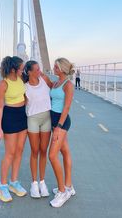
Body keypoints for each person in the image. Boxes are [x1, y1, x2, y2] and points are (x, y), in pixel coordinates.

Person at [0, 56, 27, 202]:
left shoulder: (21, 79)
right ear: (14, 69)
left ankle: (14, 182)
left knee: (19, 150)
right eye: (21, 68)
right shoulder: (3, 84)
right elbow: (0, 107)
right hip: (10, 117)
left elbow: (24, 94)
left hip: (22, 116)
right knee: (10, 152)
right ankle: (2, 185)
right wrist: (0, 128)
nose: (23, 70)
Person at [22, 61, 52, 198]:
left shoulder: (44, 79)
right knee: (34, 151)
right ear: (29, 72)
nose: (40, 71)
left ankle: (42, 182)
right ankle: (34, 183)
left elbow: (56, 89)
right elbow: (20, 103)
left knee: (43, 150)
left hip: (47, 118)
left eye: (40, 68)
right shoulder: (25, 87)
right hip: (33, 119)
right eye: (37, 69)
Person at [49, 57, 76, 208]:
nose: (54, 69)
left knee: (52, 155)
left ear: (63, 69)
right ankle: (69, 186)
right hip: (54, 121)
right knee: (65, 151)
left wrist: (58, 127)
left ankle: (62, 192)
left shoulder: (68, 85)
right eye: (54, 66)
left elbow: (66, 108)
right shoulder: (56, 82)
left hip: (62, 122)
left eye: (56, 67)